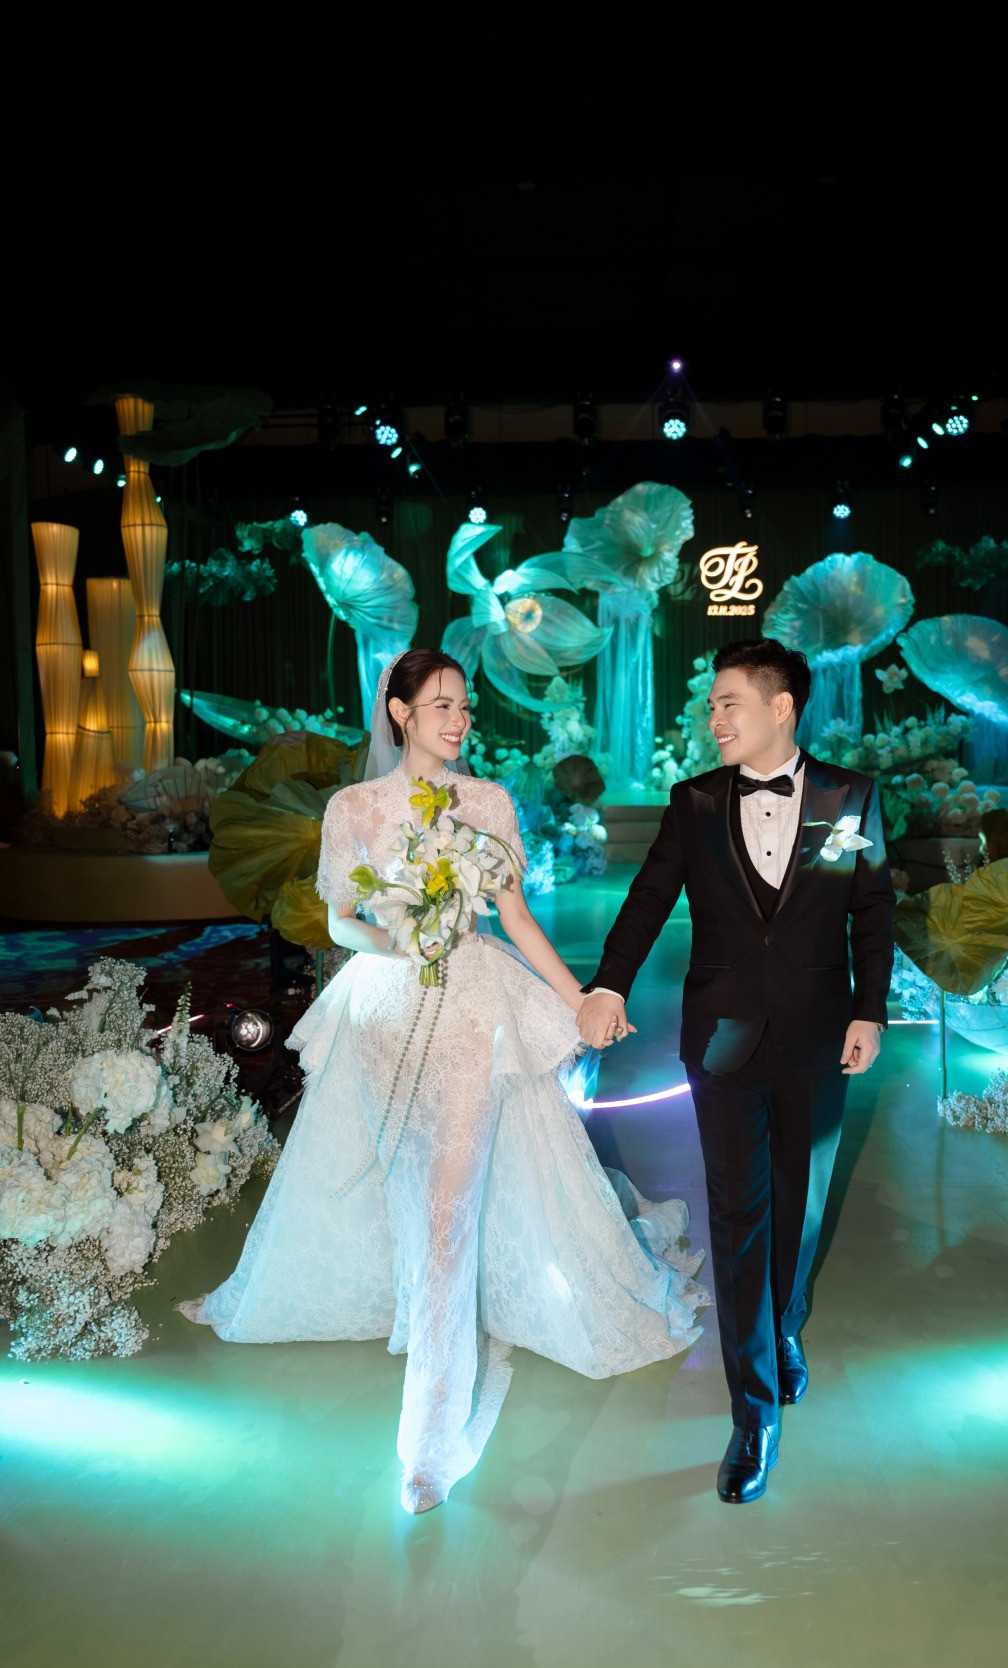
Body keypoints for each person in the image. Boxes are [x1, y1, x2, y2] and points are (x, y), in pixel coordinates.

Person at [181, 649, 706, 1515]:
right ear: (399, 712)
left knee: (445, 1214)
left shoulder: (489, 803)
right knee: (406, 1193)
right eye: (441, 705)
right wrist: (398, 940)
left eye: (464, 706)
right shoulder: (353, 809)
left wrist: (581, 1000)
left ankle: (426, 1441)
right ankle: (422, 1318)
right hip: (385, 1016)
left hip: (471, 1014)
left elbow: (517, 920)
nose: (459, 720)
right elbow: (340, 923)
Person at [576, 637, 894, 1504]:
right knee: (738, 1216)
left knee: (801, 1204)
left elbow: (871, 909)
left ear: (781, 706)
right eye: (711, 705)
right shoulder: (694, 802)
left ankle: (784, 1324)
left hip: (820, 1036)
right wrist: (608, 983)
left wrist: (869, 1010)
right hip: (719, 1041)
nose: (713, 717)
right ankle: (753, 1414)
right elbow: (648, 899)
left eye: (729, 703)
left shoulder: (851, 797)